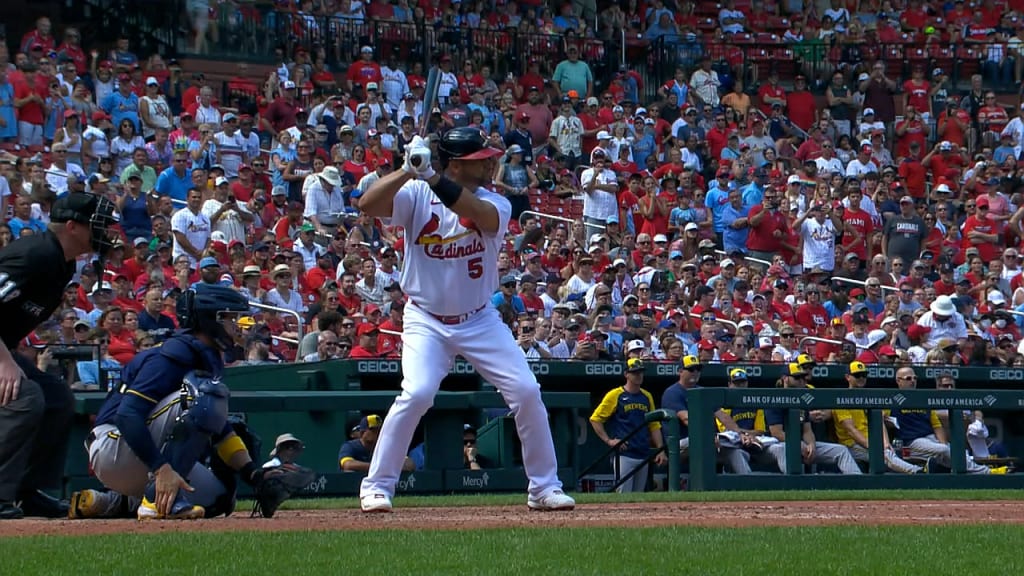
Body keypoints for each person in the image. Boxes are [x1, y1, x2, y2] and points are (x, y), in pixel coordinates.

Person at [355, 127, 574, 512]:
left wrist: (431, 175)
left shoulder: (496, 202)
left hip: (479, 319)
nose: (492, 162)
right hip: (426, 318)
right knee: (418, 393)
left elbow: (476, 214)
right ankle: (377, 486)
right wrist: (408, 170)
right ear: (457, 163)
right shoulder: (417, 193)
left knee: (526, 391)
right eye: (481, 159)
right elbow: (368, 205)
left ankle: (544, 486)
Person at [67, 285, 280, 520]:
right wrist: (162, 469)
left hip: (139, 459)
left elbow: (220, 428)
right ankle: (154, 499)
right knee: (205, 396)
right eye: (232, 318)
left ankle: (116, 501)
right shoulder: (172, 354)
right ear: (211, 320)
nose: (240, 325)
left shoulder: (206, 357)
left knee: (220, 498)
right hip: (113, 444)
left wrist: (254, 474)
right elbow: (127, 415)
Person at [0, 192, 118, 519]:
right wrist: (4, 360)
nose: (106, 232)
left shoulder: (61, 262)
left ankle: (27, 490)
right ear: (71, 226)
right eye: (99, 225)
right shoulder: (35, 253)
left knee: (57, 398)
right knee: (24, 397)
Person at [589, 358, 667, 493]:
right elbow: (595, 419)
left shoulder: (647, 396)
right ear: (626, 374)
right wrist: (609, 440)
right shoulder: (615, 395)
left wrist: (660, 449)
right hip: (624, 454)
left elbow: (654, 425)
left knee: (638, 497)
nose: (639, 376)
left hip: (643, 452)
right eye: (635, 373)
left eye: (641, 372)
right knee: (623, 495)